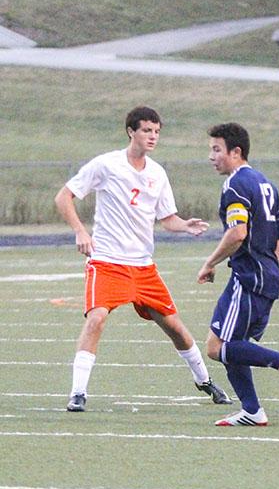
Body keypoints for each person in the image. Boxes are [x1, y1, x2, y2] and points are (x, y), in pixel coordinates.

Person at [54, 106, 231, 413]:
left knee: (174, 326)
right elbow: (63, 197)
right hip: (107, 262)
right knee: (96, 318)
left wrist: (184, 225)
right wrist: (80, 232)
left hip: (143, 267)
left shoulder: (157, 173)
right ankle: (78, 393)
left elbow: (167, 219)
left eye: (157, 131)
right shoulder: (106, 164)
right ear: (131, 132)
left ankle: (205, 381)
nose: (153, 137)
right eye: (147, 130)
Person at [198, 122, 279, 426]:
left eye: (216, 149)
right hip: (266, 274)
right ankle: (252, 411)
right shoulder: (264, 182)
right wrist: (272, 264)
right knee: (229, 342)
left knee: (217, 347)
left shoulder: (235, 186)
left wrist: (210, 263)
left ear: (236, 152)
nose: (212, 156)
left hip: (247, 276)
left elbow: (237, 233)